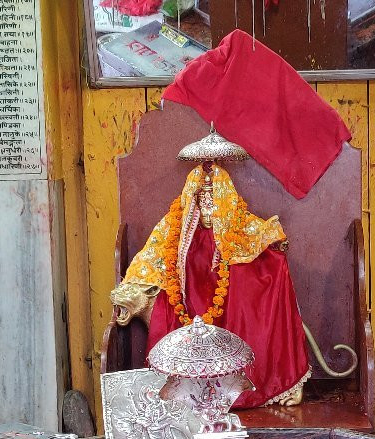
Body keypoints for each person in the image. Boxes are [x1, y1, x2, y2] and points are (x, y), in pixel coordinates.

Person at [121, 160, 311, 408]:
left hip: (226, 296)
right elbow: (153, 252)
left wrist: (271, 244)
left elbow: (252, 233)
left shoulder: (233, 224)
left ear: (222, 199)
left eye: (213, 199)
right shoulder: (178, 228)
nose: (208, 206)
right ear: (194, 201)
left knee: (250, 282)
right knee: (171, 298)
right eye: (203, 200)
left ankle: (273, 382)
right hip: (192, 302)